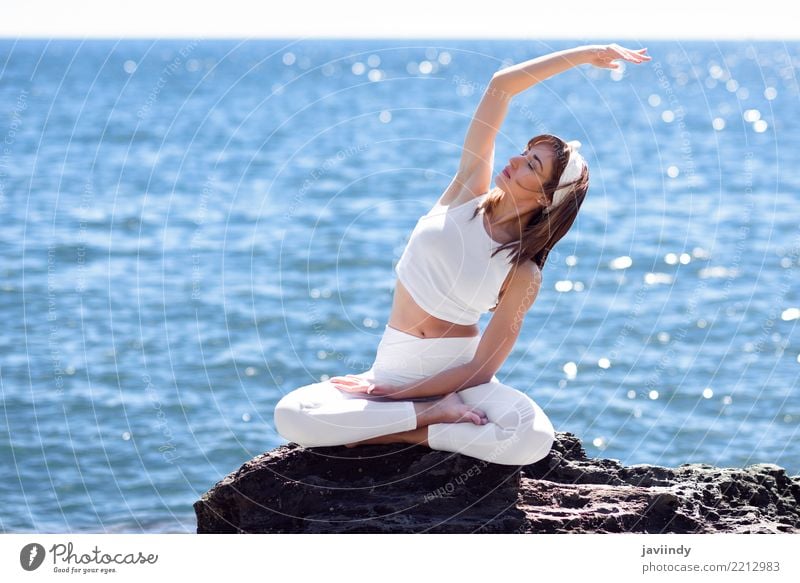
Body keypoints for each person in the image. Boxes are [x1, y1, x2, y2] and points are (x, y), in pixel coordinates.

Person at [274, 43, 651, 466]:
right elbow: (500, 87)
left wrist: (398, 397)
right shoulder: (466, 192)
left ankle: (397, 428)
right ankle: (425, 425)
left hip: (460, 380)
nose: (514, 161)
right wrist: (584, 55)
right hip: (391, 369)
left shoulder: (524, 272)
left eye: (532, 165)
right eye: (525, 154)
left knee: (531, 438)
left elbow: (482, 369)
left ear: (548, 197)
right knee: (292, 416)